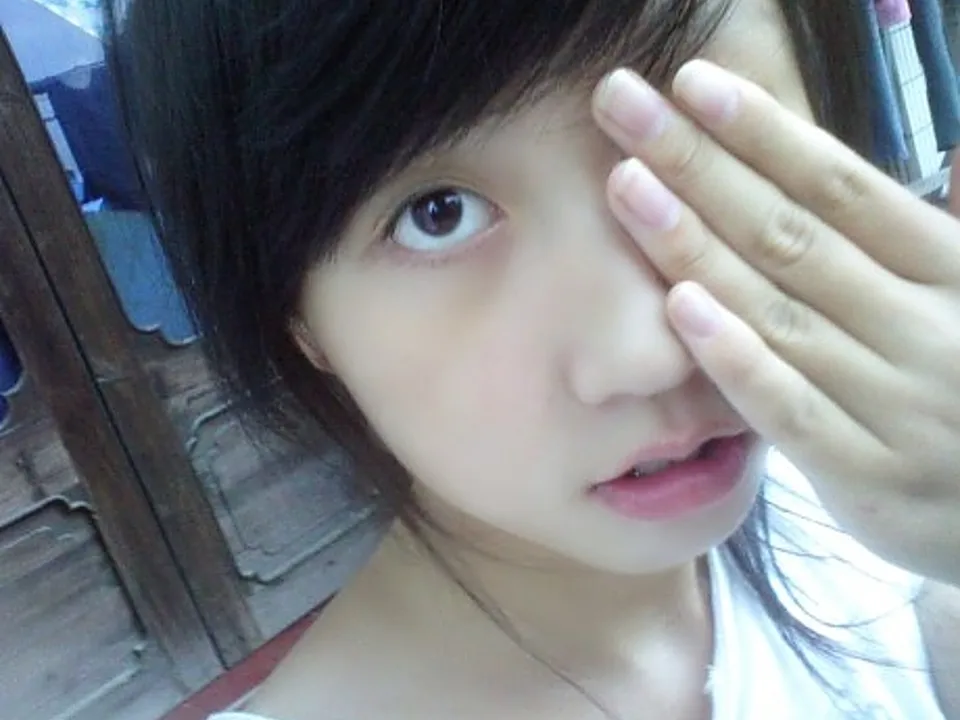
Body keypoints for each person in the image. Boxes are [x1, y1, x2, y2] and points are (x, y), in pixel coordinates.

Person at [105, 0, 960, 717]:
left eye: (699, 142)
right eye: (438, 214)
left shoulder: (893, 509)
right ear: (297, 317)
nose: (651, 354)